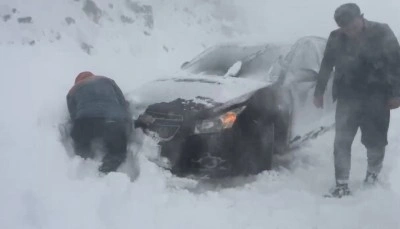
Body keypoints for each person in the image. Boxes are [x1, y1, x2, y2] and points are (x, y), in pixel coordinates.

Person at [313, 3, 400, 197]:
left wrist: (396, 93)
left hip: (376, 96)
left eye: (353, 27)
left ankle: (372, 176)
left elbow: (396, 63)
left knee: (375, 140)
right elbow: (327, 64)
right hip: (347, 95)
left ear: (361, 17)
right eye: (346, 29)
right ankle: (341, 185)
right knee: (341, 141)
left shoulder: (382, 31)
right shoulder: (336, 37)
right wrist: (318, 91)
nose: (350, 32)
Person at [67, 71, 131, 174]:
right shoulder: (108, 81)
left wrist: (79, 131)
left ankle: (84, 159)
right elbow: (122, 103)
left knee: (81, 142)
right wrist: (125, 125)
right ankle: (109, 166)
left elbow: (73, 115)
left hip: (85, 121)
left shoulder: (73, 90)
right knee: (117, 150)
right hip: (112, 120)